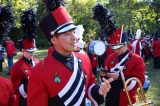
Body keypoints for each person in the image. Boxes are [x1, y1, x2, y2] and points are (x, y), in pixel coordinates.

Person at [27, 2, 113, 106]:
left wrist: (99, 90)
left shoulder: (84, 58)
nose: (75, 37)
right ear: (54, 40)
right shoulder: (38, 72)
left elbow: (88, 86)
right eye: (67, 34)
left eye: (74, 32)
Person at [102, 27, 145, 106]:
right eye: (114, 47)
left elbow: (139, 82)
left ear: (126, 44)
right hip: (110, 97)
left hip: (125, 98)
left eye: (119, 47)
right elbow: (105, 79)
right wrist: (103, 75)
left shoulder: (137, 60)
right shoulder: (110, 58)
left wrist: (119, 77)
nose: (116, 50)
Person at [10, 9, 39, 106]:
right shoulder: (17, 66)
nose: (32, 53)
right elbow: (14, 88)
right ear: (22, 50)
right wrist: (29, 86)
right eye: (29, 51)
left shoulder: (37, 61)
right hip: (24, 100)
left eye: (33, 51)